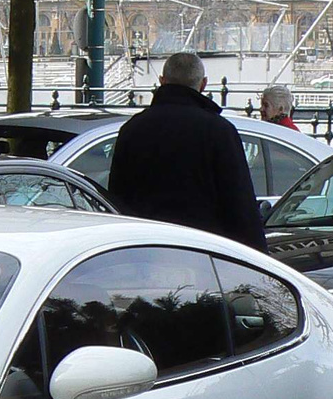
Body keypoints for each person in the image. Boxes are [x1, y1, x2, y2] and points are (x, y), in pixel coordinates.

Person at [107, 51, 266, 251]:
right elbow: (238, 202)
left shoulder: (133, 129)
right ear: (203, 84)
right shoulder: (219, 131)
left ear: (162, 81)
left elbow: (118, 196)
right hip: (202, 249)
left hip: (146, 248)